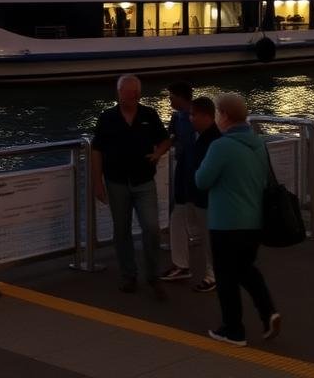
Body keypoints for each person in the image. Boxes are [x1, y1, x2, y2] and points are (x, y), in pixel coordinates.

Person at [195, 93, 279, 347]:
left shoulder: (221, 146)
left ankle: (234, 330)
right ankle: (268, 312)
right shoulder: (258, 144)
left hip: (225, 223)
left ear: (224, 115)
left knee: (226, 277)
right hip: (253, 222)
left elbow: (201, 181)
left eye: (218, 113)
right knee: (245, 269)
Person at [91, 74, 171, 300]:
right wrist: (97, 182)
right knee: (121, 230)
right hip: (116, 182)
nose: (132, 96)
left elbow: (165, 140)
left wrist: (157, 153)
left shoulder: (149, 114)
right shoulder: (107, 118)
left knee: (152, 228)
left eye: (135, 92)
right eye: (128, 92)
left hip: (144, 181)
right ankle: (129, 275)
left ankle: (153, 276)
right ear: (119, 93)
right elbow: (97, 150)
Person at [164, 95, 221, 292]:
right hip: (188, 189)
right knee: (179, 219)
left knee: (208, 234)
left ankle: (213, 273)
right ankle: (182, 264)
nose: (191, 118)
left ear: (207, 116)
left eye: (194, 115)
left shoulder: (214, 140)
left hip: (202, 195)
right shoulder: (196, 135)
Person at [160, 82, 195, 282]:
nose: (169, 101)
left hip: (192, 170)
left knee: (188, 215)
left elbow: (171, 138)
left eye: (172, 97)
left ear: (181, 97)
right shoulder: (179, 117)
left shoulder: (190, 117)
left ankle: (188, 265)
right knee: (180, 214)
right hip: (185, 170)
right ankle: (182, 264)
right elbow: (170, 138)